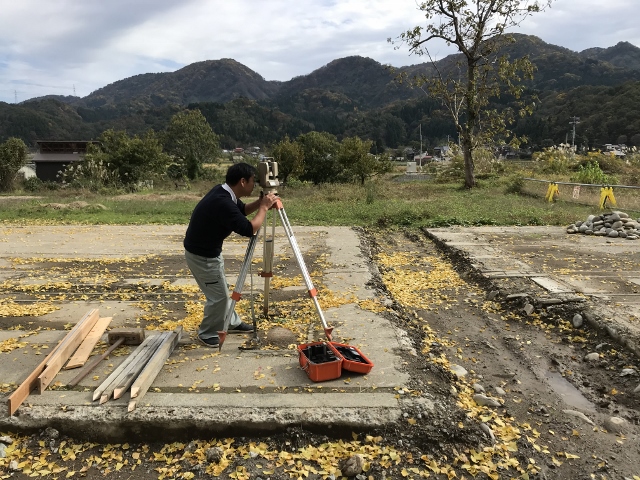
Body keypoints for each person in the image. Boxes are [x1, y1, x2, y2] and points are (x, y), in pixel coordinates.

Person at [184, 162, 278, 347]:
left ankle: (232, 322)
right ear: (243, 182)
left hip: (208, 252)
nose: (254, 185)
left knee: (222, 291)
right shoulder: (223, 202)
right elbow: (249, 228)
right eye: (253, 181)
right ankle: (207, 332)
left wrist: (260, 203)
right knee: (219, 297)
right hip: (202, 257)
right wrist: (264, 209)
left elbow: (241, 211)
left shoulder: (224, 192)